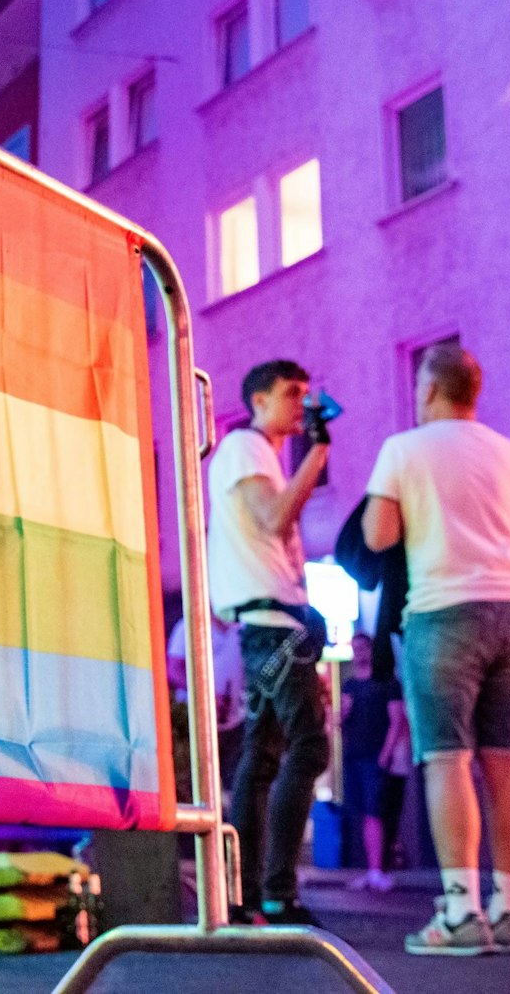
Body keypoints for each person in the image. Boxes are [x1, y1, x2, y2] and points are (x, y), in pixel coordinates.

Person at [364, 343, 510, 957]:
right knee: (508, 760)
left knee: (446, 758)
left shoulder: (403, 449)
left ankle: (461, 913)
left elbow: (379, 534)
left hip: (443, 612)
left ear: (430, 389)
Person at [207, 359, 332, 924]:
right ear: (259, 400)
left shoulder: (255, 453)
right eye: (291, 393)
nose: (301, 404)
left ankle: (250, 894)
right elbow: (275, 519)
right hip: (270, 625)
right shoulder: (247, 448)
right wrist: (320, 453)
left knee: (263, 759)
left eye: (306, 394)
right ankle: (276, 892)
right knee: (302, 750)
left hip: (270, 623)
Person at [342, 632, 410, 891]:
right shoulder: (349, 685)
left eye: (363, 648)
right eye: (355, 648)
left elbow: (397, 720)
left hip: (375, 756)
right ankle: (371, 870)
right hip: (353, 755)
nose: (359, 652)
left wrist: (386, 753)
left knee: (375, 813)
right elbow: (341, 719)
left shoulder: (387, 683)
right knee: (363, 813)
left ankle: (377, 870)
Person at [167, 612, 246, 793]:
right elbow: (174, 668)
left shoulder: (242, 627)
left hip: (235, 721)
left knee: (234, 783)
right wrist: (206, 695)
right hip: (194, 721)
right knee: (197, 780)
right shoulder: (189, 624)